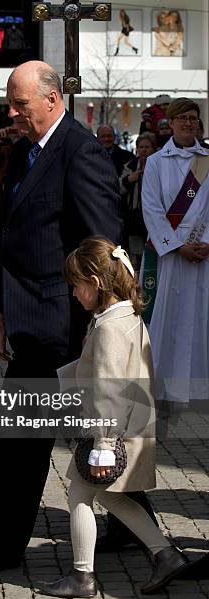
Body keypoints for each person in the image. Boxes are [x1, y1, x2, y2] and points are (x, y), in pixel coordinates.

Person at [0, 60, 124, 579]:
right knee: (59, 439)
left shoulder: (82, 151)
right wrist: (1, 309)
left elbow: (101, 245)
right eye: (10, 102)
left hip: (63, 328)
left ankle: (2, 549)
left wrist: (95, 325)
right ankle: (141, 532)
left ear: (52, 99)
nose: (12, 112)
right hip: (28, 322)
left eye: (20, 103)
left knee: (33, 442)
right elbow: (12, 240)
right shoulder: (26, 151)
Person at [36, 237, 190, 599]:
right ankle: (165, 554)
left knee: (78, 497)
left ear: (96, 281)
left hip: (110, 432)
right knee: (110, 497)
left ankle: (82, 576)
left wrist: (102, 446)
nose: (74, 294)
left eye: (77, 285)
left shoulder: (107, 328)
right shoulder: (125, 316)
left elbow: (108, 388)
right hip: (132, 426)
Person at [141, 98, 209, 407]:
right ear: (171, 123)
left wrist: (206, 242)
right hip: (169, 254)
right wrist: (178, 246)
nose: (187, 123)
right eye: (181, 118)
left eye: (192, 118)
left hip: (204, 253)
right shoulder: (156, 161)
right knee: (165, 319)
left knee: (199, 317)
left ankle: (198, 387)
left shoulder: (207, 160)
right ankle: (162, 386)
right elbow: (152, 210)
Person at [120, 132, 157, 269]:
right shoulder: (130, 165)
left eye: (147, 147)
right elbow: (119, 188)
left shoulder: (160, 164)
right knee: (138, 253)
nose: (144, 150)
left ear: (153, 148)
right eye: (141, 147)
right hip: (136, 215)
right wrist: (129, 179)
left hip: (155, 214)